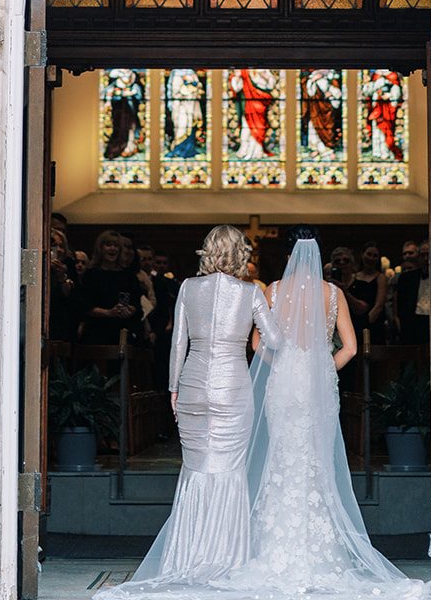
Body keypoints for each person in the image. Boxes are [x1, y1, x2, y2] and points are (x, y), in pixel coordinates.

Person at [234, 230, 430, 599]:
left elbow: (256, 342)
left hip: (284, 383)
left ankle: (274, 547)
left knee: (282, 458)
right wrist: (323, 367)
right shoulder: (333, 293)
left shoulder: (272, 291)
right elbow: (352, 348)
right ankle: (320, 550)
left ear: (290, 253)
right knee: (315, 461)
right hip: (318, 386)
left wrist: (282, 364)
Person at [115, 225, 281, 593]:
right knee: (230, 472)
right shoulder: (252, 292)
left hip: (191, 386)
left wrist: (173, 389)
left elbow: (178, 343)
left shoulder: (189, 287)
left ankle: (188, 556)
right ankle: (226, 558)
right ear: (241, 254)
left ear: (208, 251)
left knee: (195, 471)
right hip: (234, 388)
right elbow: (275, 340)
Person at [395, 239, 431, 343]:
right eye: (422, 255)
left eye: (428, 254)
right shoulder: (407, 278)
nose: (426, 259)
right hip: (413, 325)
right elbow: (400, 308)